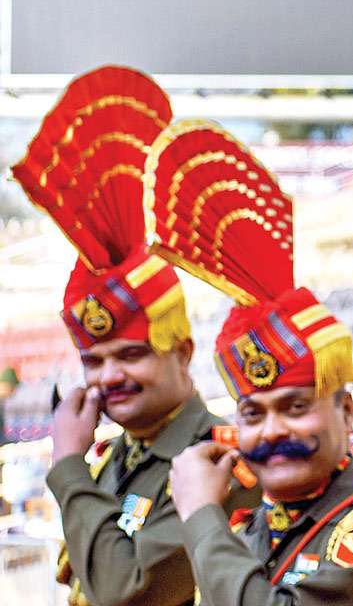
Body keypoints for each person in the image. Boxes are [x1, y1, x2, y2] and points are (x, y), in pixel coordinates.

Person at [12, 66, 258, 606]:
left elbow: (130, 593)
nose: (109, 377)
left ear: (184, 352)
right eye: (93, 362)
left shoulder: (218, 461)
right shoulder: (116, 458)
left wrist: (68, 466)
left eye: (130, 355)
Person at [146, 120, 353, 605]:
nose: (270, 432)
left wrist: (203, 514)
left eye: (294, 407)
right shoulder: (253, 527)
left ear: (348, 411)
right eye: (252, 413)